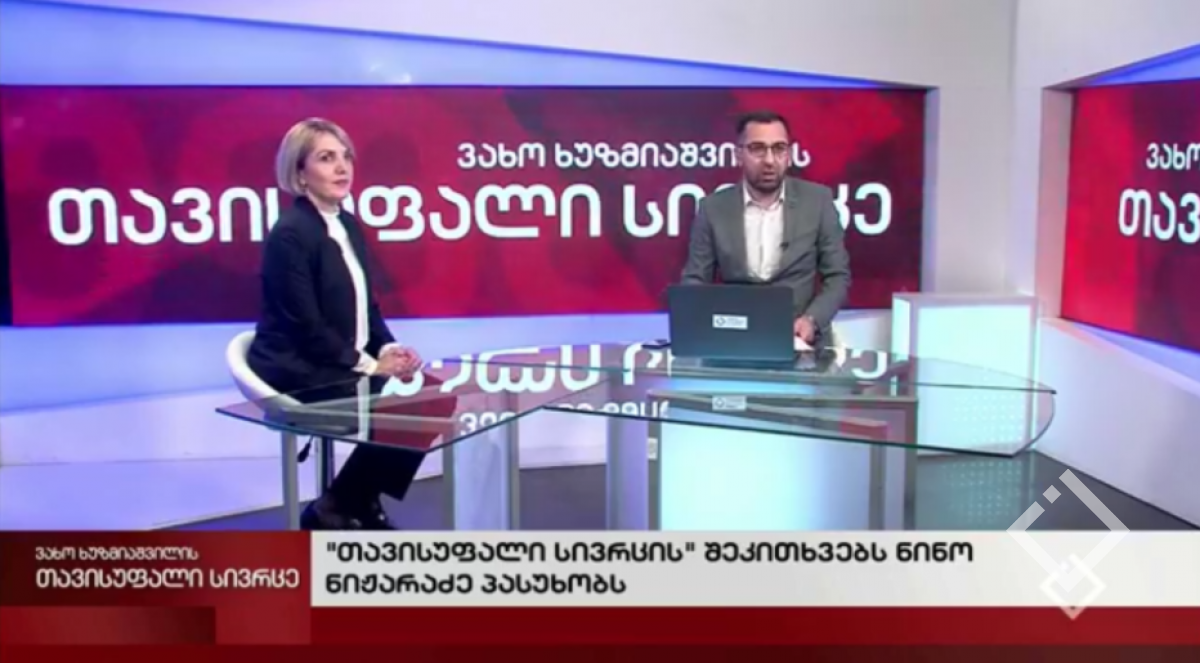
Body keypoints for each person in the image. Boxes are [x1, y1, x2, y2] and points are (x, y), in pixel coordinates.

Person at [247, 118, 453, 530]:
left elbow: (366, 307)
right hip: (299, 368)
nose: (342, 168)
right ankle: (348, 503)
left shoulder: (347, 224)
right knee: (406, 403)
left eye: (346, 157)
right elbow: (306, 327)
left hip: (339, 361)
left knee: (432, 396)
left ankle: (350, 500)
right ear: (300, 173)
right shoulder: (290, 235)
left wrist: (389, 349)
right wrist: (371, 366)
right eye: (326, 158)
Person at [680, 110, 851, 349]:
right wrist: (700, 327)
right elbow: (695, 280)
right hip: (735, 339)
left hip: (801, 341)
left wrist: (812, 320)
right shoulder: (713, 209)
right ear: (739, 155)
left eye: (779, 148)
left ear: (789, 154)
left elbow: (837, 276)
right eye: (758, 149)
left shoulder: (818, 201)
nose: (770, 160)